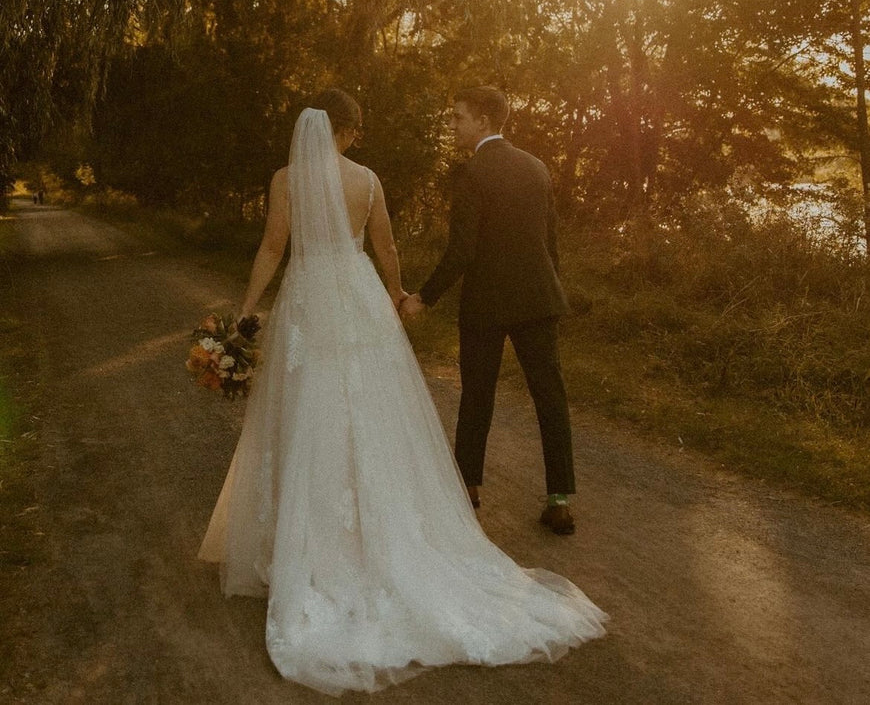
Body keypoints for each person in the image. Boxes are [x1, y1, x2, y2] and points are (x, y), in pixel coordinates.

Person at [198, 88, 605, 695]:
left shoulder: (285, 179)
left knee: (312, 408)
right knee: (378, 407)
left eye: (460, 117)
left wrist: (246, 310)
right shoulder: (369, 179)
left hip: (313, 299)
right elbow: (388, 246)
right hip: (366, 296)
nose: (454, 123)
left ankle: (320, 533)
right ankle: (536, 497)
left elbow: (273, 248)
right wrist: (395, 295)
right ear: (350, 130)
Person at [401, 86, 577, 535]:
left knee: (478, 394)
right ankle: (559, 501)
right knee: (550, 397)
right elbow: (549, 243)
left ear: (482, 120)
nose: (453, 124)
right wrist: (553, 293)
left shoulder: (472, 173)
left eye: (459, 117)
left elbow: (462, 250)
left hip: (486, 305)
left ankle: (469, 488)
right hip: (539, 300)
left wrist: (424, 296)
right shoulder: (536, 167)